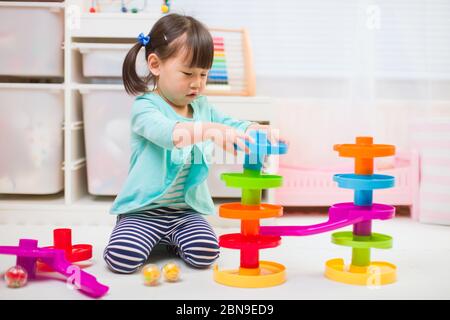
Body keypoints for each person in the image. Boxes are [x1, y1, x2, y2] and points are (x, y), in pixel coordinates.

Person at [103, 13, 287, 274]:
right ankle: (143, 234)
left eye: (203, 74)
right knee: (123, 259)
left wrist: (254, 128)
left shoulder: (201, 107)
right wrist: (211, 130)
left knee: (206, 253)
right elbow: (171, 134)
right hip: (142, 212)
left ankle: (171, 240)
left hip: (184, 213)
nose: (197, 83)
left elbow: (231, 124)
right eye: (188, 72)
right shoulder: (145, 107)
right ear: (155, 64)